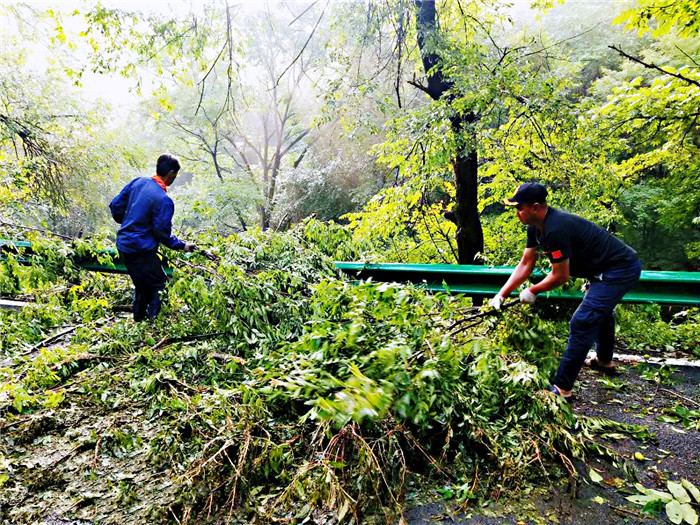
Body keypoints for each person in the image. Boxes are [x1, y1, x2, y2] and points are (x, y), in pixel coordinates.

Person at [489, 182, 641, 399]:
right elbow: (525, 264)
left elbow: (561, 276)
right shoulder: (535, 226)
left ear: (535, 207)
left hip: (619, 269)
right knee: (600, 310)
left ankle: (562, 389)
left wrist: (533, 290)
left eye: (519, 207)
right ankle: (604, 362)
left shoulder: (555, 229)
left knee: (583, 320)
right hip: (602, 269)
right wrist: (501, 294)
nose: (517, 213)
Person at [109, 154, 196, 321]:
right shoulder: (164, 200)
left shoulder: (138, 182)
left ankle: (139, 321)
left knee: (142, 284)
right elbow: (162, 234)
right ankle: (155, 325)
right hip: (140, 250)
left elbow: (115, 206)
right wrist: (183, 245)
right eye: (175, 175)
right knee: (159, 285)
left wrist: (129, 221)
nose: (174, 179)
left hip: (124, 245)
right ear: (171, 173)